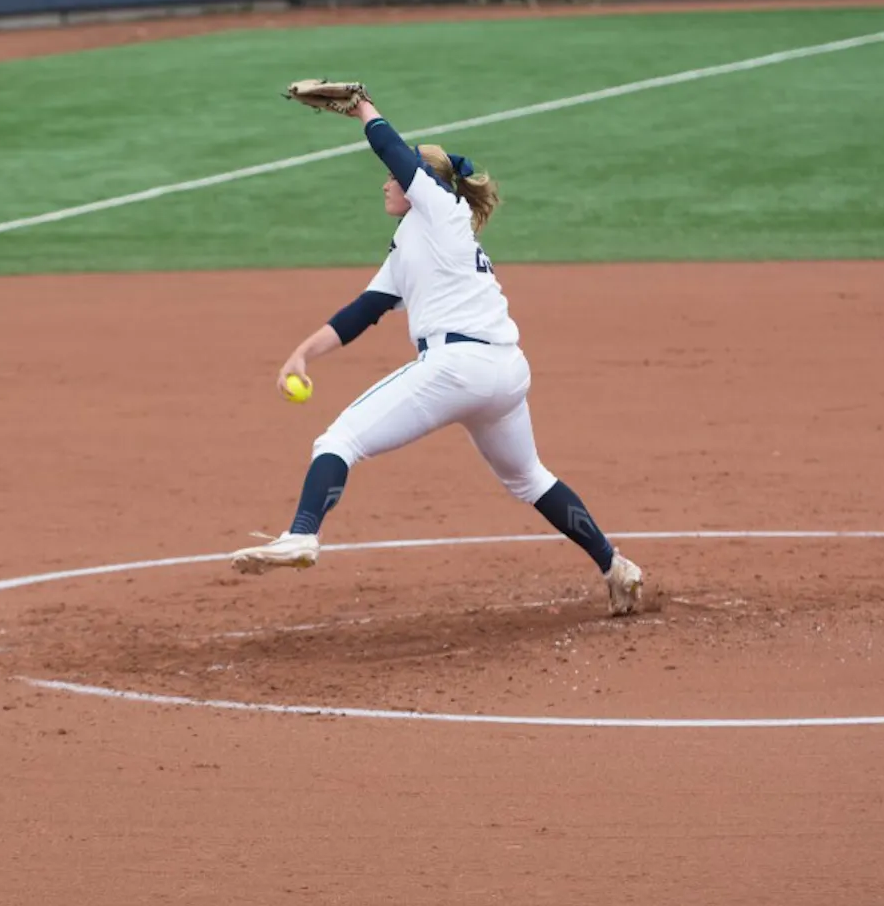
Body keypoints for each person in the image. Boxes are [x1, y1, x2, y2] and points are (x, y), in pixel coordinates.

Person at [229, 94, 644, 616]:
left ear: (419, 184)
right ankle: (616, 568)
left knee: (339, 439)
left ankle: (301, 535)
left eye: (395, 179)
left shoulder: (441, 208)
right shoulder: (416, 242)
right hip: (505, 374)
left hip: (457, 369)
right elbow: (362, 312)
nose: (384, 183)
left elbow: (391, 149)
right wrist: (303, 354)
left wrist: (362, 107)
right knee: (530, 478)